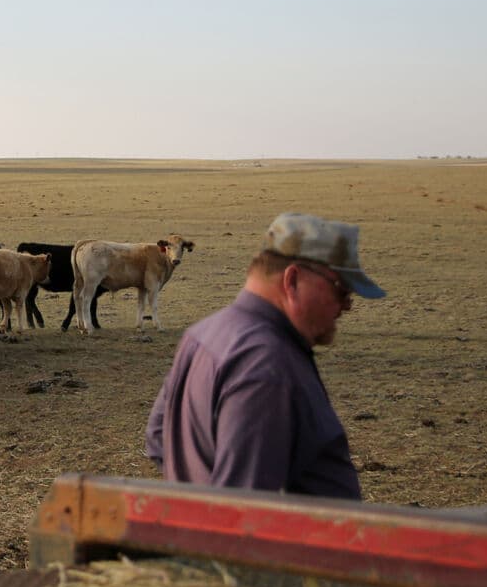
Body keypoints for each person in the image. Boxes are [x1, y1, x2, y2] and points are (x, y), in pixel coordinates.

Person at [145, 212, 384, 499]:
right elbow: (246, 507)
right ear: (293, 280)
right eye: (341, 290)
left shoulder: (204, 334)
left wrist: (197, 494)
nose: (347, 305)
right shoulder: (266, 364)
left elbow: (159, 436)